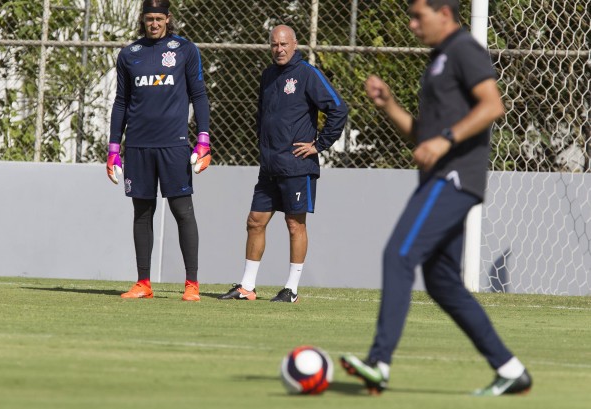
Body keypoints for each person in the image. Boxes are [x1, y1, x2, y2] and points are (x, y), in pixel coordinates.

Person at [340, 0, 532, 396]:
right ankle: (510, 369)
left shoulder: (463, 49)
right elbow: (421, 137)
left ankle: (379, 362)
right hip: (441, 176)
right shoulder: (439, 61)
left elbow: (493, 104)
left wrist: (446, 141)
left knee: (398, 255)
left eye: (417, 16)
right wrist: (389, 105)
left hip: (452, 178)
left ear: (444, 14)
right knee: (442, 282)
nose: (411, 24)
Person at [217, 25, 348, 303]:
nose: (279, 49)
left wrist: (318, 145)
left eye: (284, 44)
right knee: (255, 221)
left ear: (295, 44)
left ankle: (291, 290)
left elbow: (338, 108)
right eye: (275, 44)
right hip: (270, 167)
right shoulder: (267, 75)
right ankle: (247, 287)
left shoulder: (307, 74)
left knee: (294, 224)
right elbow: (262, 117)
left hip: (298, 166)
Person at [107, 0, 212, 302]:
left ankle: (191, 283)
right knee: (142, 212)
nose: (154, 24)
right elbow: (121, 103)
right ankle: (143, 282)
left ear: (168, 18)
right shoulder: (129, 54)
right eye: (148, 19)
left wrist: (203, 140)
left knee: (183, 212)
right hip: (138, 146)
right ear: (142, 20)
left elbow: (199, 95)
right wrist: (114, 148)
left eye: (158, 18)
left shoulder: (185, 50)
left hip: (174, 145)